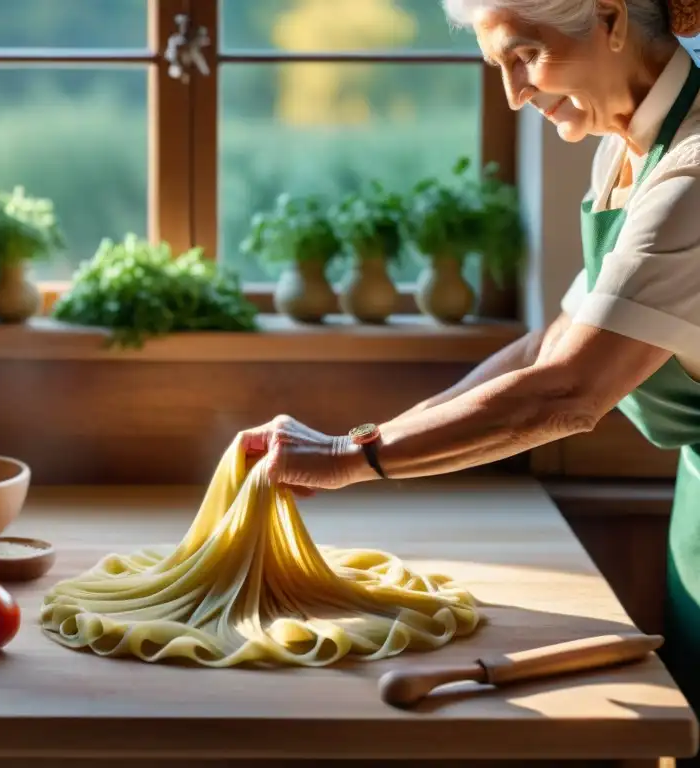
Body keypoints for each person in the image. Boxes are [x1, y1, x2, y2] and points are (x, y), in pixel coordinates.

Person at [242, 0, 700, 737]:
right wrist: (355, 440)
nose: (515, 95)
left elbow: (567, 392)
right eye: (499, 69)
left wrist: (352, 458)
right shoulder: (625, 151)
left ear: (611, 17)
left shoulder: (691, 177)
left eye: (526, 57)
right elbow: (540, 351)